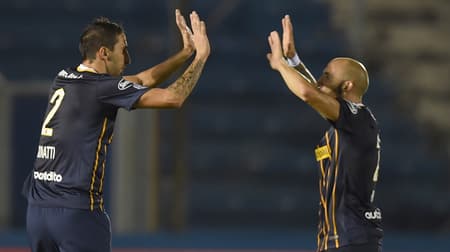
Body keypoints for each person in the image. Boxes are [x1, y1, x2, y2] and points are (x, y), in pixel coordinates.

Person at [22, 9, 210, 252]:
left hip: (37, 213)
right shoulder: (102, 88)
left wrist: (184, 54)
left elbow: (142, 80)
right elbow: (173, 98)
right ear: (104, 53)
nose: (128, 58)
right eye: (123, 49)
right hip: (76, 213)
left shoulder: (63, 78)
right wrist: (201, 58)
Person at [266, 15, 383, 252]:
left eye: (327, 76)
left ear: (348, 85)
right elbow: (317, 94)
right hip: (345, 240)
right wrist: (293, 60)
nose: (320, 80)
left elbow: (309, 94)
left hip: (350, 239)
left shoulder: (356, 118)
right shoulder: (352, 120)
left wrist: (279, 64)